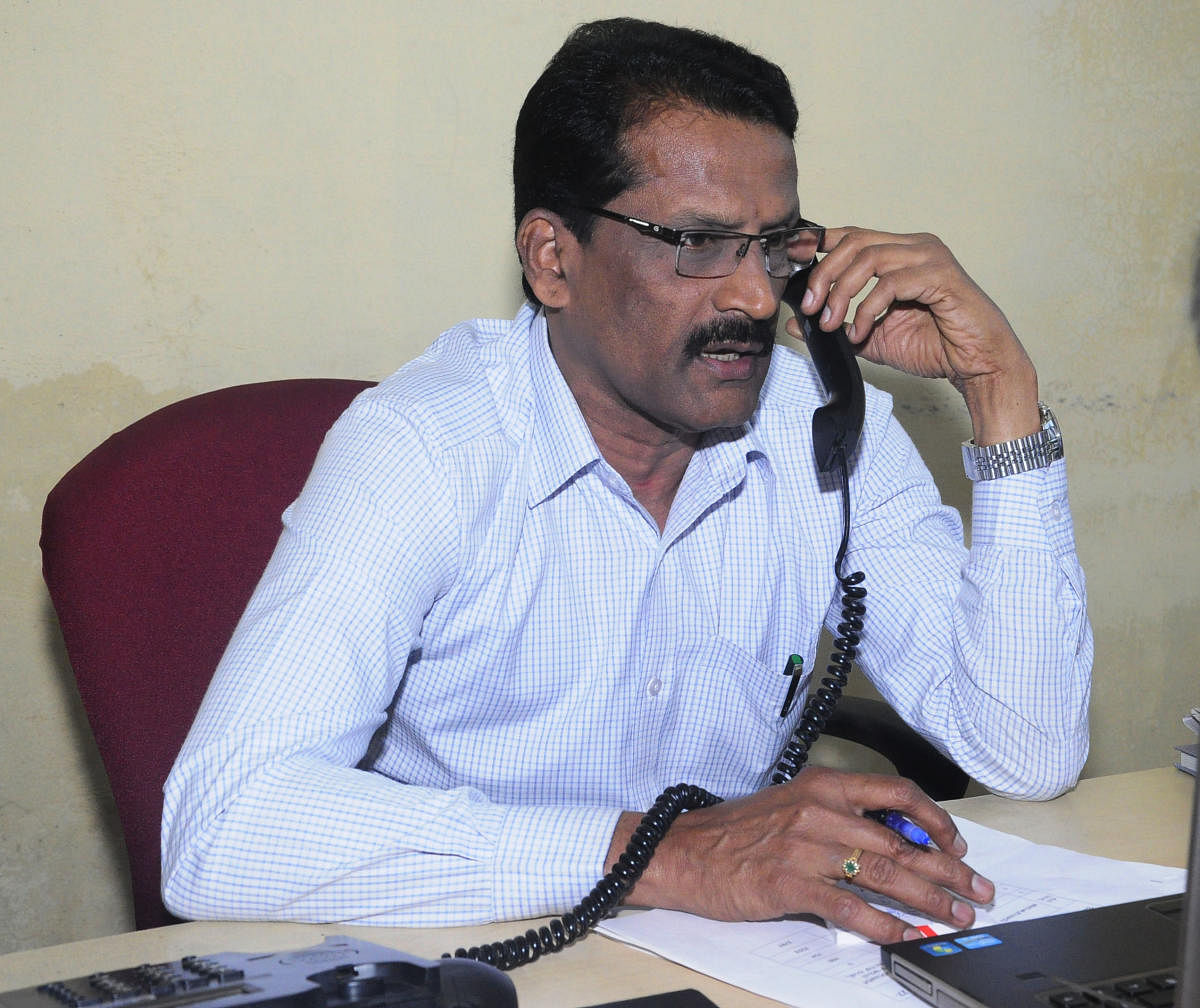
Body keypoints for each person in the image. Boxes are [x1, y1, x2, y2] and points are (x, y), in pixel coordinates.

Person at [161, 18, 1091, 945]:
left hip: (741, 961)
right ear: (552, 259)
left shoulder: (822, 425)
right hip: (472, 956)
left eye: (773, 245)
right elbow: (219, 830)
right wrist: (664, 855)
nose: (757, 299)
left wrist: (1000, 391)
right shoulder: (424, 449)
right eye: (696, 243)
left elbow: (1027, 749)